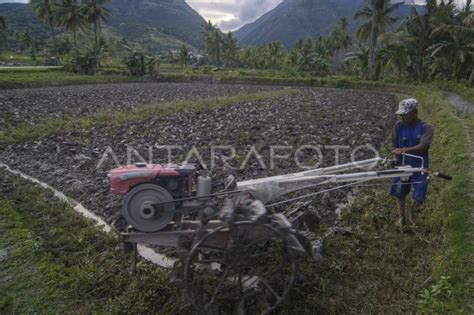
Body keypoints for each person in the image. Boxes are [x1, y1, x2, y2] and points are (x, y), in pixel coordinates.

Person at [389, 98, 434, 225]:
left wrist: (403, 150)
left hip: (419, 166)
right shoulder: (398, 125)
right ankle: (401, 217)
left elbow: (424, 146)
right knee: (399, 192)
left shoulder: (426, 127)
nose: (402, 117)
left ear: (415, 112)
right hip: (402, 164)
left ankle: (412, 214)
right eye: (401, 115)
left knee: (420, 195)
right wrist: (395, 157)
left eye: (405, 115)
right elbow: (394, 144)